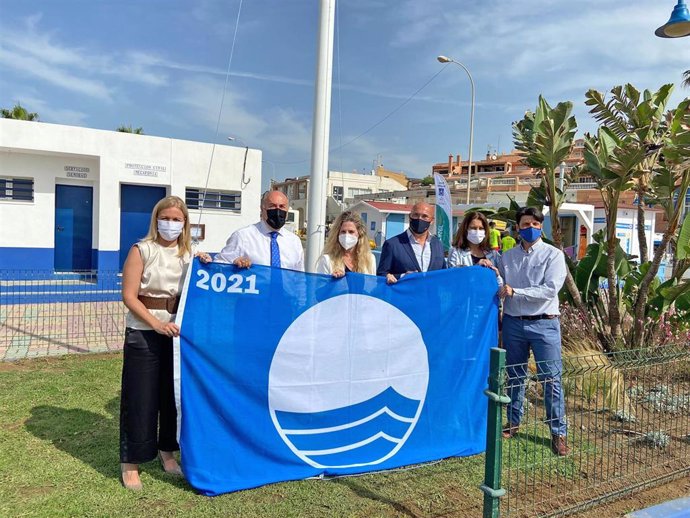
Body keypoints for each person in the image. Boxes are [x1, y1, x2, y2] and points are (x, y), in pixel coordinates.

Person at [119, 196, 212, 490]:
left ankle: (167, 451)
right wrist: (155, 323)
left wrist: (210, 264)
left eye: (176, 219)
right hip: (145, 332)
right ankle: (131, 461)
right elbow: (129, 296)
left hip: (177, 334)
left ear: (185, 223)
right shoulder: (141, 249)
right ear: (156, 219)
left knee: (171, 398)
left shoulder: (190, 255)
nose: (170, 224)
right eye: (166, 218)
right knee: (140, 397)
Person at [498, 206, 569, 456]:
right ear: (518, 227)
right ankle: (513, 423)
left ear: (541, 227)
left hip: (544, 324)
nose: (531, 228)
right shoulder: (507, 257)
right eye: (526, 224)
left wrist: (516, 292)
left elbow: (550, 289)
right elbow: (499, 283)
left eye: (536, 224)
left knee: (551, 379)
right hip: (514, 323)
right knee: (514, 376)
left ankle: (558, 433)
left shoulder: (553, 255)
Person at [214, 190, 304, 271]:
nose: (277, 210)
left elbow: (299, 279)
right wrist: (234, 264)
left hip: (285, 290)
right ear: (262, 209)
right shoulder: (243, 236)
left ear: (287, 211)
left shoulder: (294, 241)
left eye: (282, 206)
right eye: (272, 206)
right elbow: (218, 265)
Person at [376, 201, 446, 284]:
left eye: (425, 216)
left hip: (431, 296)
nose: (419, 219)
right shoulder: (392, 244)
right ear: (410, 217)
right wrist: (401, 276)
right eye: (416, 215)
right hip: (403, 296)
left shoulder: (437, 244)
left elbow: (443, 274)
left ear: (432, 220)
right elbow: (381, 275)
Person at [315, 211, 376, 276]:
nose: (347, 235)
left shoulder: (370, 260)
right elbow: (320, 284)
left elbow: (371, 284)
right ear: (337, 234)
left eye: (351, 232)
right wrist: (333, 281)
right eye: (343, 232)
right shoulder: (327, 260)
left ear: (359, 234)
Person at [448, 211, 502, 279]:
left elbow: (502, 280)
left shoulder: (493, 254)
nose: (477, 231)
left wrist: (497, 275)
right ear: (465, 229)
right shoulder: (455, 252)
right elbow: (453, 278)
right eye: (473, 228)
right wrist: (476, 268)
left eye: (481, 228)